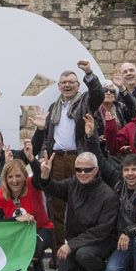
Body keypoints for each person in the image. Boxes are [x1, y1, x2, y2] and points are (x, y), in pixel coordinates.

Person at [33, 61, 106, 237]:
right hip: (56, 160)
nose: (67, 85)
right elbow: (47, 136)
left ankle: (77, 245)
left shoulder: (85, 102)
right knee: (56, 205)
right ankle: (58, 248)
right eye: (64, 83)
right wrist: (44, 154)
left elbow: (98, 94)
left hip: (79, 159)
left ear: (78, 85)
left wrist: (89, 72)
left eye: (71, 82)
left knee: (80, 205)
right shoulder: (53, 108)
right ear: (58, 87)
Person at [36, 150, 120, 271]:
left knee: (84, 254)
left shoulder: (108, 195)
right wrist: (45, 175)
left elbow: (101, 232)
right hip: (77, 242)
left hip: (101, 242)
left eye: (87, 170)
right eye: (78, 170)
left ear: (96, 170)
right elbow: (54, 188)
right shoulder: (72, 183)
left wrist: (71, 245)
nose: (82, 173)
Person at [0, 157, 53, 271]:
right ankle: (20, 264)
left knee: (34, 248)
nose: (14, 180)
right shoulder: (0, 194)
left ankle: (36, 261)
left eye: (18, 176)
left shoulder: (32, 185)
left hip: (40, 228)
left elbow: (39, 177)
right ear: (5, 179)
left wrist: (33, 160)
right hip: (16, 235)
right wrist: (16, 219)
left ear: (25, 176)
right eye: (10, 177)